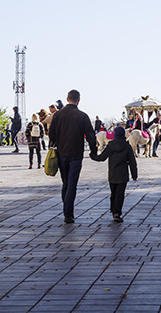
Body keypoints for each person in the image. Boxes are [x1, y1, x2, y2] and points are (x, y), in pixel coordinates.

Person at [47, 89, 99, 223]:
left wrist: (59, 141)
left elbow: (51, 133)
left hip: (61, 153)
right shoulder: (82, 116)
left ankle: (67, 211)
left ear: (67, 98)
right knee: (72, 184)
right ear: (79, 100)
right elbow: (91, 136)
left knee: (65, 183)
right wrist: (93, 151)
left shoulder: (58, 115)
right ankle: (68, 214)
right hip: (76, 154)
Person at [90, 126, 138, 221]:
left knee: (113, 193)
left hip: (112, 174)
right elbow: (132, 162)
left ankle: (113, 211)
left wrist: (93, 156)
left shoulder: (110, 145)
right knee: (120, 194)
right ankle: (117, 213)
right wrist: (134, 175)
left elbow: (102, 157)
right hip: (123, 175)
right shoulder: (127, 146)